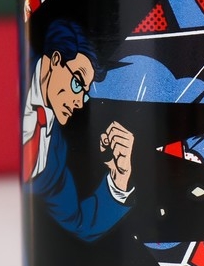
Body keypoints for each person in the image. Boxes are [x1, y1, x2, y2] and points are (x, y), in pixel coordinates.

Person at [22, 19, 135, 242]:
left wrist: (119, 179)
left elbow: (79, 222)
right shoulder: (20, 56)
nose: (79, 102)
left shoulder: (54, 153)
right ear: (56, 60)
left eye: (85, 93)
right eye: (77, 84)